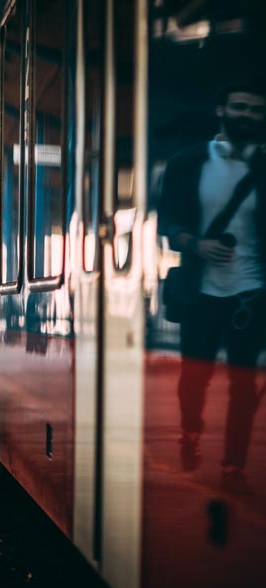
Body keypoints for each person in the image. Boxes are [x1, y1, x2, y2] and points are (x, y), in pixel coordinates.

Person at [158, 81, 266, 493]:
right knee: (194, 376)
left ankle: (233, 467)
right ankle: (190, 433)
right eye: (240, 107)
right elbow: (168, 223)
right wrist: (195, 244)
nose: (248, 115)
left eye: (256, 110)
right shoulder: (188, 163)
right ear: (221, 110)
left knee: (244, 383)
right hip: (201, 292)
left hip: (251, 292)